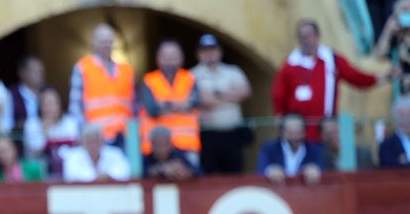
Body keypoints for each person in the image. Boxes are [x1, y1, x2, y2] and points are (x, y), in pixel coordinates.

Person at [273, 19, 389, 142]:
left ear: (317, 37)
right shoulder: (289, 65)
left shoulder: (332, 61)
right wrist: (281, 123)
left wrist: (383, 78)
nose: (305, 40)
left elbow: (356, 77)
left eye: (308, 36)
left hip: (325, 132)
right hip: (297, 135)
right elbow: (278, 96)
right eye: (302, 37)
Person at [192, 34, 253, 175]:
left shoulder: (233, 71)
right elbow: (203, 100)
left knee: (235, 176)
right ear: (199, 53)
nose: (210, 54)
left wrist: (215, 95)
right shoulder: (192, 75)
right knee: (209, 178)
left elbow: (245, 91)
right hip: (207, 134)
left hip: (232, 133)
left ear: (219, 52)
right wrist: (230, 96)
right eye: (205, 50)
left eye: (213, 50)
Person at [70, 23, 133, 143]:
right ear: (93, 44)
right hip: (96, 138)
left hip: (124, 137)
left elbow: (134, 105)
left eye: (109, 41)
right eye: (102, 41)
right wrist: (87, 134)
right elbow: (75, 108)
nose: (106, 45)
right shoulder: (82, 68)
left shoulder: (127, 70)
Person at [138, 41, 200, 157]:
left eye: (174, 57)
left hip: (186, 144)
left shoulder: (189, 78)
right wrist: (181, 104)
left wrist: (164, 104)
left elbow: (194, 103)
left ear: (181, 58)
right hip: (156, 148)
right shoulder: (149, 80)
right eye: (166, 57)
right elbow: (153, 110)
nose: (170, 61)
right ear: (158, 59)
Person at [257, 113, 328, 185]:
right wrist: (270, 170)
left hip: (306, 192)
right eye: (291, 132)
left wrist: (315, 169)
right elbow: (261, 169)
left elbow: (323, 169)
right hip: (278, 192)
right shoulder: (269, 148)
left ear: (304, 132)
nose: (295, 137)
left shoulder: (315, 149)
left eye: (298, 132)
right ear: (282, 132)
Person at [60, 122, 131, 183]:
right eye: (89, 141)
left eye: (95, 140)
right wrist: (97, 177)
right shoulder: (73, 156)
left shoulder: (115, 153)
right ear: (82, 143)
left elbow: (124, 172)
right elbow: (72, 175)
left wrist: (108, 176)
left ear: (102, 141)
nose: (92, 145)